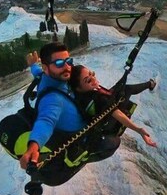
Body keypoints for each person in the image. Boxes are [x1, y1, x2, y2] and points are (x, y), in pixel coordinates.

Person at [20, 42, 120, 174]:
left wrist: (33, 65)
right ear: (46, 67)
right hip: (78, 136)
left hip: (76, 117)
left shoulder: (46, 76)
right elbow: (46, 121)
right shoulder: (53, 99)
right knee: (114, 142)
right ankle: (80, 158)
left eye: (69, 61)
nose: (67, 67)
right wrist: (34, 146)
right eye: (59, 63)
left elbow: (38, 73)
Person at [68, 64, 158, 147]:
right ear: (78, 88)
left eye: (92, 74)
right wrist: (139, 130)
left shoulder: (78, 94)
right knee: (127, 89)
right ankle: (151, 84)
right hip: (106, 126)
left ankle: (150, 84)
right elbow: (118, 114)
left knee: (122, 88)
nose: (94, 79)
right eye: (88, 80)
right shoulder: (97, 98)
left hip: (100, 116)